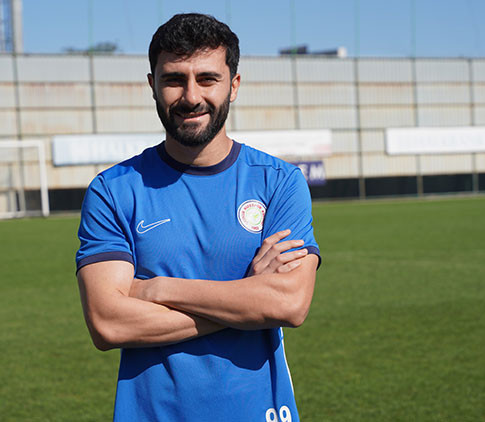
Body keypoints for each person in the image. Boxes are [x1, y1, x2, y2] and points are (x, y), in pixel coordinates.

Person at [76, 13, 320, 421]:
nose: (191, 96)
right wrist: (248, 298)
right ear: (152, 85)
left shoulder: (279, 182)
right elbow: (108, 323)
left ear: (233, 85)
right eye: (174, 79)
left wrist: (158, 289)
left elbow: (290, 303)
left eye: (207, 79)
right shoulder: (113, 190)